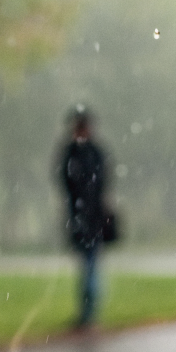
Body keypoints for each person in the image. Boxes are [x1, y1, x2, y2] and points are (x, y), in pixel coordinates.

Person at [55, 106, 109, 329]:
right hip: (83, 217)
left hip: (89, 218)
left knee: (89, 265)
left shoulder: (84, 153)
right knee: (89, 265)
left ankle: (88, 314)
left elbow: (72, 182)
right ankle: (88, 313)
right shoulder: (84, 152)